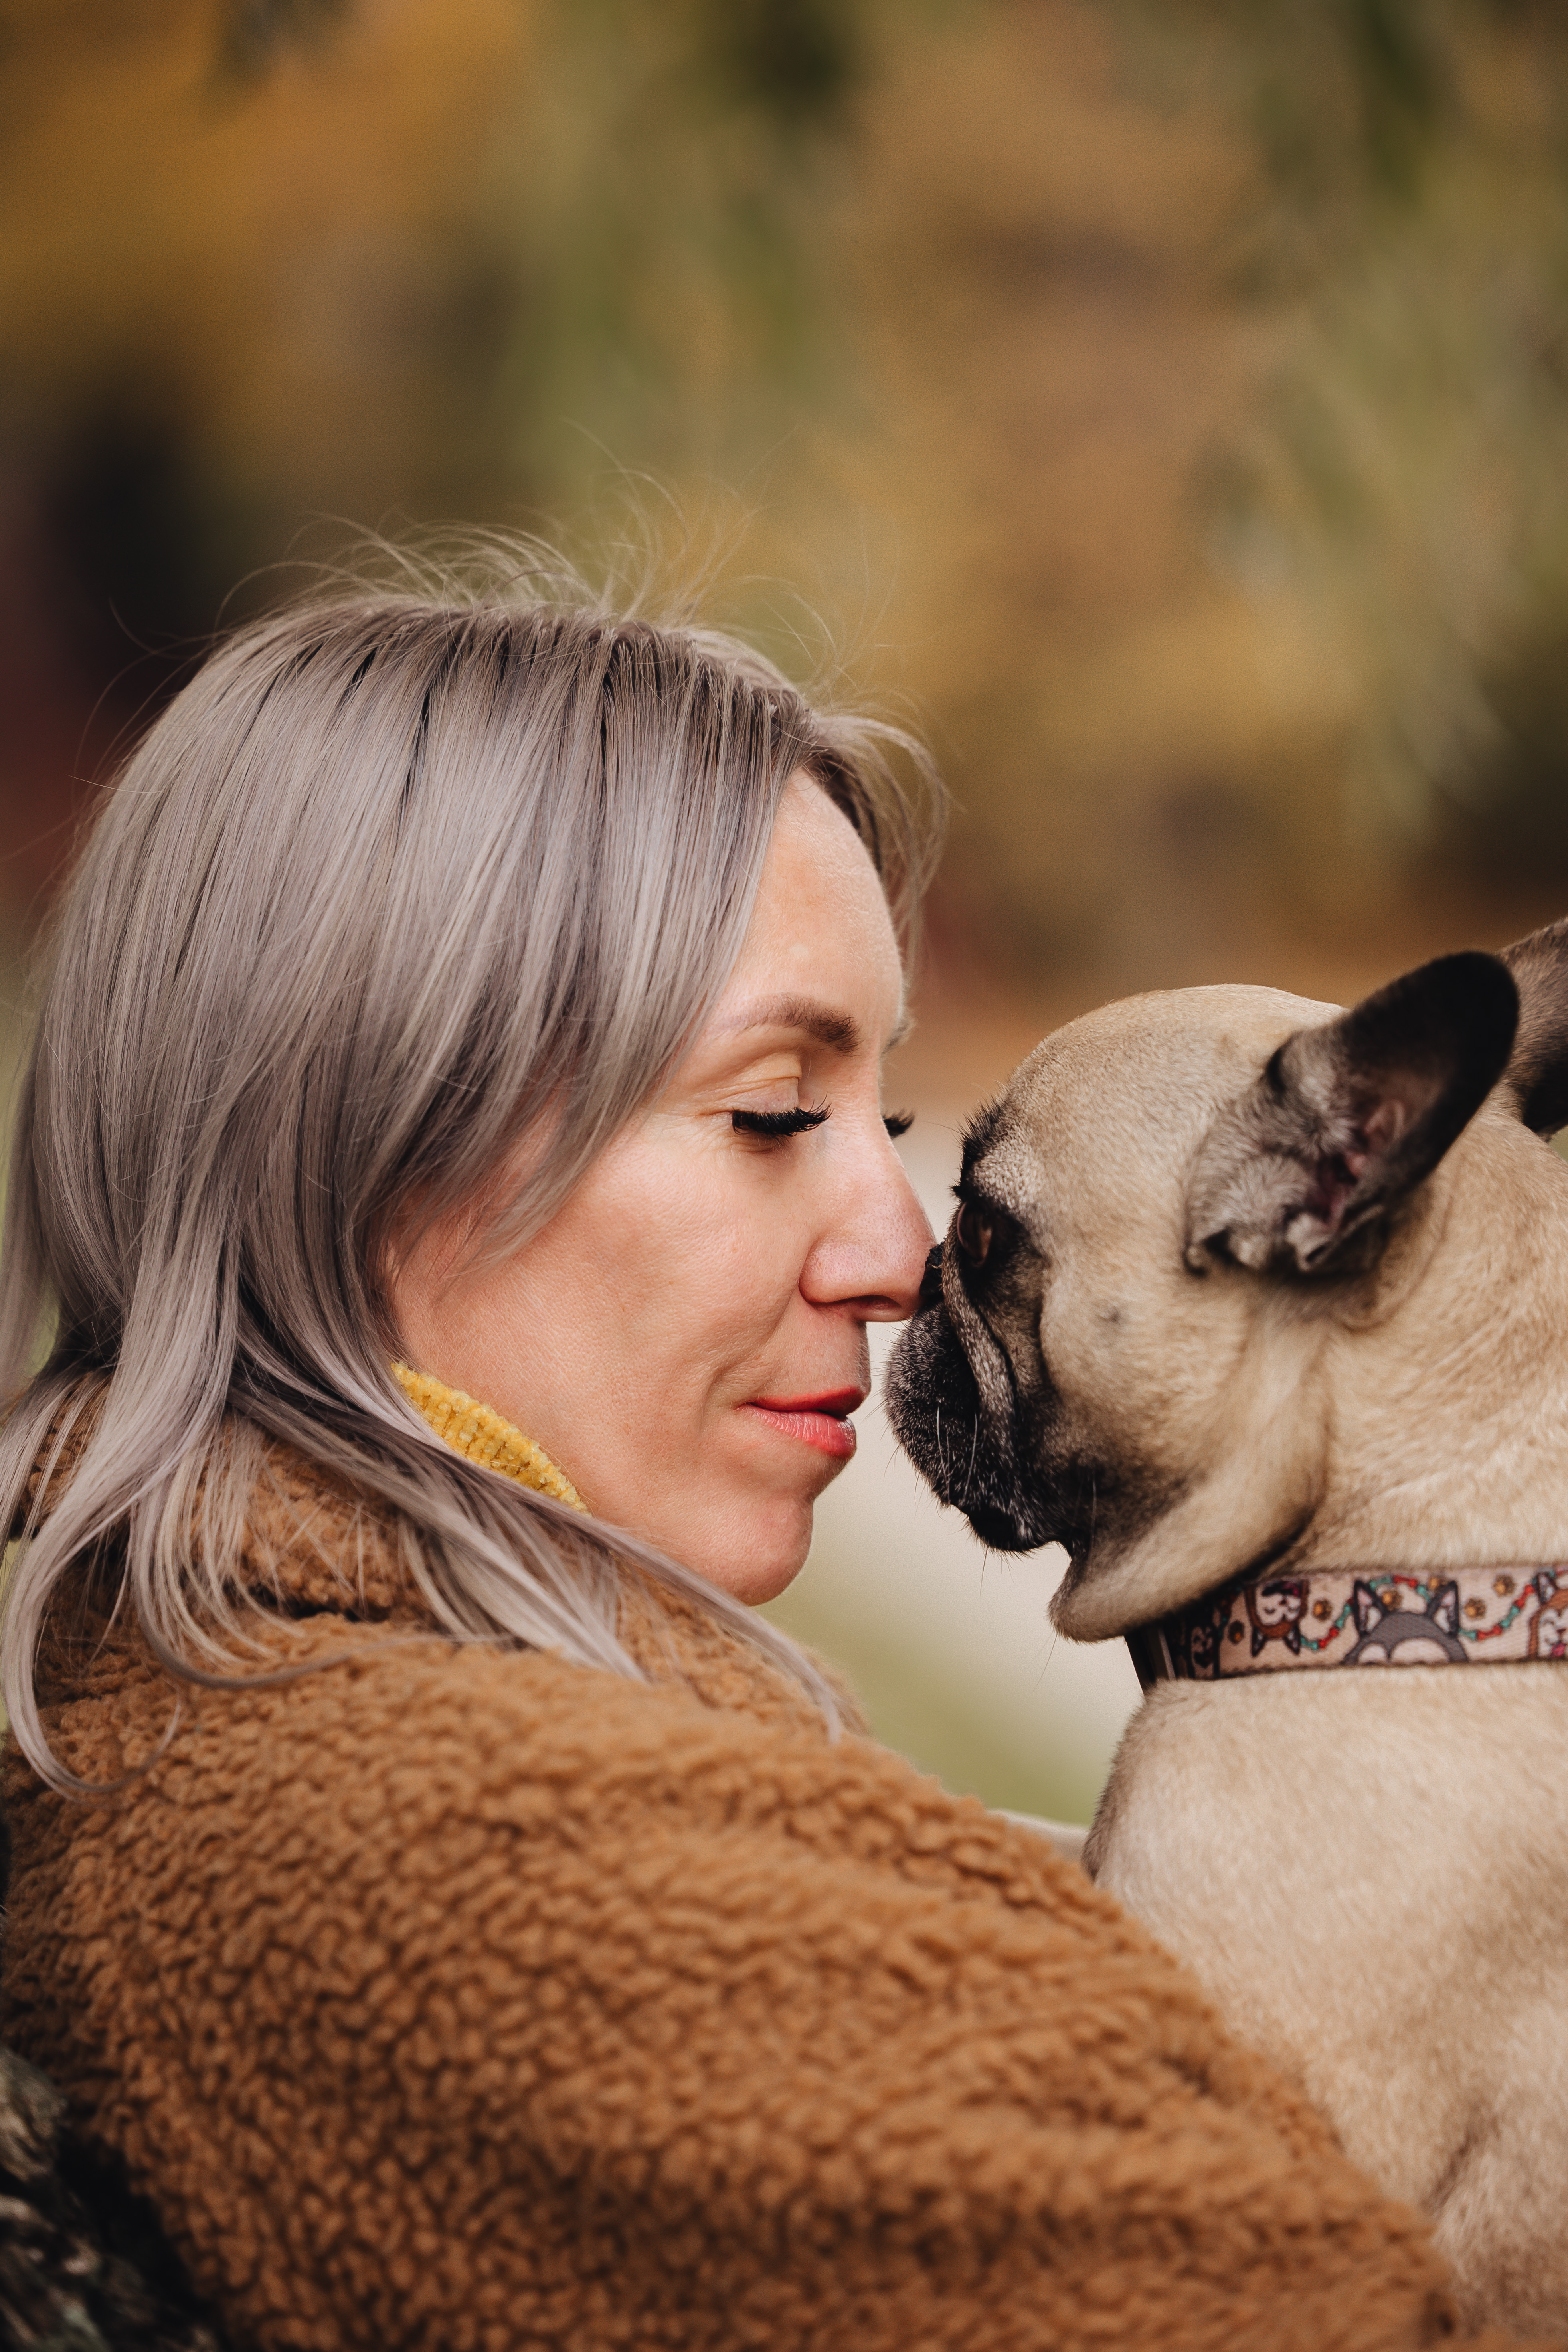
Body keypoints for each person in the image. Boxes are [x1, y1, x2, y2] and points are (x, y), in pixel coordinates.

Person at [0, 557, 1524, 2352]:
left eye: (877, 1118)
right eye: (771, 1113)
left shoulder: (371, 1722)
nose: (896, 1253)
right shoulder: (491, 1878)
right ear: (374, 1141)